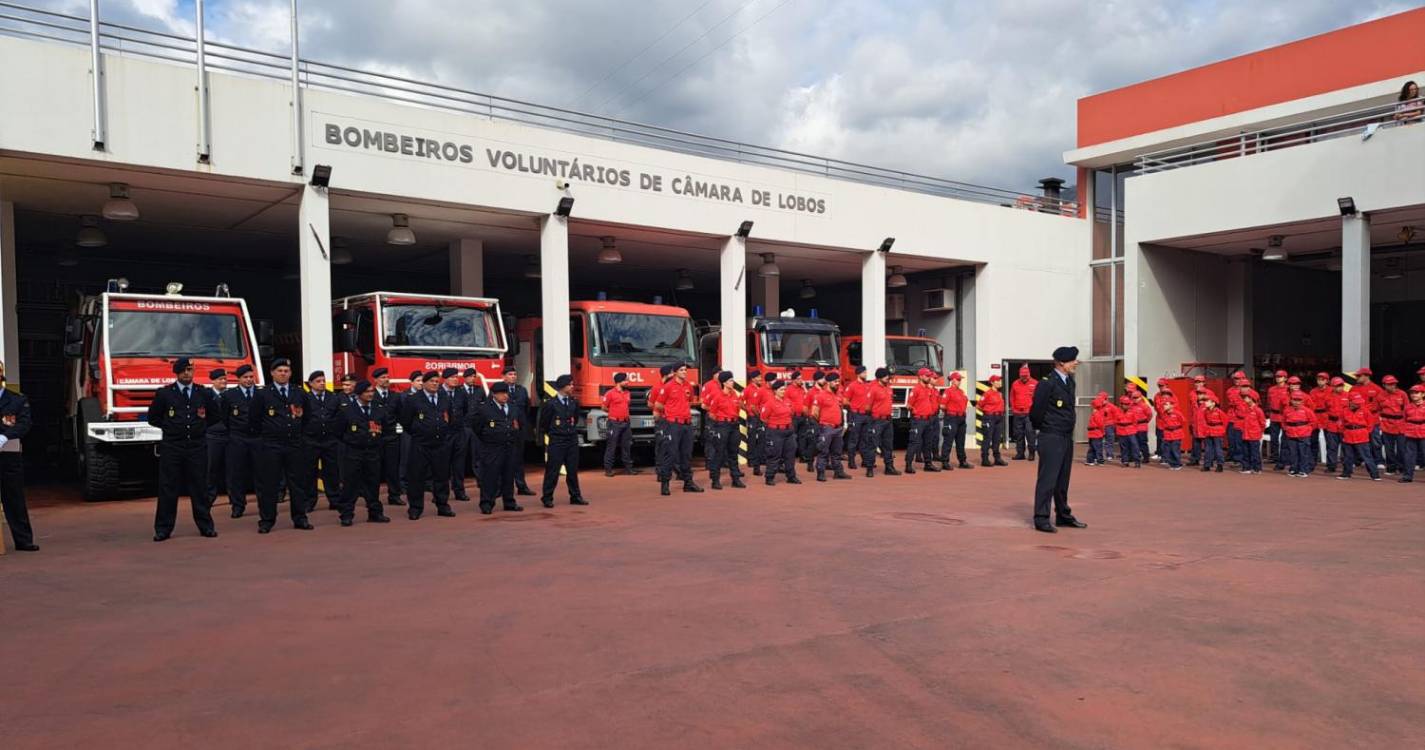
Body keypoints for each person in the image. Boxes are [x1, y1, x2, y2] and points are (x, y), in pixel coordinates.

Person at [147, 358, 223, 542]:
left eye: (190, 369)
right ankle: (163, 529)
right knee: (168, 488)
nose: (187, 373)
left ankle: (206, 526)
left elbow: (214, 416)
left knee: (199, 488)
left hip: (196, 446)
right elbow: (153, 417)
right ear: (177, 373)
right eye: (184, 370)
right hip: (172, 447)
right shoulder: (165, 394)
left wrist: (199, 428)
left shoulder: (202, 393)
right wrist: (172, 428)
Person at [1028, 346, 1084, 534]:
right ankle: (1041, 518)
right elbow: (1036, 412)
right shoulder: (1047, 383)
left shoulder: (1069, 381)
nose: (1075, 362)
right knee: (1048, 479)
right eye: (1072, 360)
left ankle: (1063, 515)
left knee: (1062, 480)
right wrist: (1046, 428)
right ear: (1061, 363)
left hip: (1066, 436)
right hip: (1051, 435)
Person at [253, 358, 313, 533]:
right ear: (272, 373)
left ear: (290, 373)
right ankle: (267, 520)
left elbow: (307, 417)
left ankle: (300, 518)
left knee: (298, 484)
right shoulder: (263, 394)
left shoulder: (299, 393)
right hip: (271, 445)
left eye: (286, 371)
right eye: (279, 371)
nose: (283, 373)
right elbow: (254, 419)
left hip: (294, 444)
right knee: (269, 485)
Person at [334, 380, 391, 526]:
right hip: (354, 452)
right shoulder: (347, 409)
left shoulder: (379, 409)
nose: (370, 394)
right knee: (350, 485)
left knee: (373, 483)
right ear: (359, 394)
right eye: (367, 392)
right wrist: (352, 441)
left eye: (372, 391)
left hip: (373, 452)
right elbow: (338, 431)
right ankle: (346, 514)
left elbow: (386, 429)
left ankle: (375, 513)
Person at [401, 370, 457, 519]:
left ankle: (442, 505)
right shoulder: (413, 399)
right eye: (431, 381)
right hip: (420, 444)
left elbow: (449, 417)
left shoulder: (444, 398)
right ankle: (415, 508)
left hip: (440, 444)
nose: (434, 384)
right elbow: (406, 420)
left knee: (441, 477)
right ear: (424, 383)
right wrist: (418, 431)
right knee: (416, 477)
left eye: (436, 382)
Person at [0, 361, 37, 551]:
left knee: (14, 498)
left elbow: (24, 424)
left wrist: (5, 436)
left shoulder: (17, 400)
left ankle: (23, 540)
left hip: (8, 454)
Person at [472, 381, 523, 514]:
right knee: (490, 476)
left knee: (508, 475)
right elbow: (477, 427)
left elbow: (518, 423)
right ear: (494, 395)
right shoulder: (484, 409)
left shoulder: (512, 407)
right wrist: (488, 438)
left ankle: (509, 501)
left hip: (510, 446)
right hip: (492, 447)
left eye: (506, 393)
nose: (505, 396)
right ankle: (487, 503)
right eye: (501, 393)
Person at [538, 374, 585, 507]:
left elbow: (574, 420)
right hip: (557, 440)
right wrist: (554, 433)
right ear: (563, 386)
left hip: (571, 440)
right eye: (570, 384)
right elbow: (545, 423)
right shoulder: (550, 404)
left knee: (572, 470)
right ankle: (547, 497)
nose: (572, 387)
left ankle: (575, 496)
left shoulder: (573, 402)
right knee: (552, 470)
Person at [220, 364, 260, 519]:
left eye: (251, 377)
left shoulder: (260, 394)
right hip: (237, 439)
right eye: (245, 377)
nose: (249, 380)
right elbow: (225, 417)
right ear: (239, 379)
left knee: (261, 473)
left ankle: (264, 504)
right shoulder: (229, 395)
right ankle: (238, 505)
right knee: (236, 474)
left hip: (257, 438)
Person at [657, 363, 702, 496]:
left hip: (687, 424)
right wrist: (670, 414)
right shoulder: (668, 387)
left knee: (687, 455)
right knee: (670, 454)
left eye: (685, 370)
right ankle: (665, 484)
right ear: (675, 372)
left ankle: (688, 483)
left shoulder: (688, 386)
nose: (684, 372)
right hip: (673, 425)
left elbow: (690, 400)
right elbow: (659, 404)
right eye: (681, 370)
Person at [302, 370, 342, 512]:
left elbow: (339, 417)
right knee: (309, 472)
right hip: (311, 440)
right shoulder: (304, 398)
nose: (322, 383)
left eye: (323, 380)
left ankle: (334, 499)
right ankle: (309, 501)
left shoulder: (333, 397)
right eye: (318, 381)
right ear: (311, 384)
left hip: (330, 440)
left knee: (332, 472)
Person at [704, 371, 746, 490]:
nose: (733, 382)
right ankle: (715, 480)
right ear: (724, 383)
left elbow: (738, 408)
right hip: (722, 426)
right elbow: (712, 414)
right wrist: (721, 422)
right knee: (719, 453)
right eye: (730, 381)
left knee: (733, 453)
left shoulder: (734, 395)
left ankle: (735, 479)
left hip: (734, 426)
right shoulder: (717, 396)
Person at [370, 368, 405, 506]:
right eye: (383, 377)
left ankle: (394, 495)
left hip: (391, 436)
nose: (386, 379)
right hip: (375, 437)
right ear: (376, 380)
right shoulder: (370, 395)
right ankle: (372, 497)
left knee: (392, 468)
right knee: (374, 469)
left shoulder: (394, 396)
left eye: (387, 377)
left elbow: (401, 415)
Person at [501, 367, 537, 496]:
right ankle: (502, 488)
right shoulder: (499, 390)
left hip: (519, 430)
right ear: (503, 377)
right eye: (510, 374)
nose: (513, 376)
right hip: (504, 430)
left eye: (515, 374)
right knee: (503, 459)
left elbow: (526, 409)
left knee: (519, 459)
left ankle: (521, 486)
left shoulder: (521, 390)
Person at [759, 377, 799, 485]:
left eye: (784, 389)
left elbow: (791, 414)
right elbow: (763, 417)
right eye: (781, 390)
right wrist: (775, 424)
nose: (783, 391)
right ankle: (769, 477)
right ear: (775, 391)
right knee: (774, 455)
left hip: (789, 431)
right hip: (775, 432)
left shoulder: (788, 401)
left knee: (790, 455)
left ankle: (791, 476)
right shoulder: (769, 403)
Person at [441, 368, 474, 502]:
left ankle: (459, 491)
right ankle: (441, 493)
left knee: (459, 464)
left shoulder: (461, 392)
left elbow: (465, 409)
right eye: (452, 377)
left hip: (459, 432)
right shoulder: (438, 392)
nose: (455, 379)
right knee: (442, 464)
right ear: (445, 379)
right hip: (443, 434)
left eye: (456, 377)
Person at [812, 372, 851, 481]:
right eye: (835, 381)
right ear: (828, 383)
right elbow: (814, 412)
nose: (837, 383)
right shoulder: (820, 395)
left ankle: (838, 472)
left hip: (837, 428)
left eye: (838, 381)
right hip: (826, 428)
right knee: (823, 451)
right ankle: (820, 473)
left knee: (837, 452)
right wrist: (823, 422)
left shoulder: (838, 395)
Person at [863, 368, 899, 476]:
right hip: (877, 420)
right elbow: (867, 407)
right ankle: (869, 468)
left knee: (888, 445)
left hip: (888, 420)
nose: (888, 378)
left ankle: (889, 467)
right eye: (885, 376)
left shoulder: (889, 388)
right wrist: (873, 418)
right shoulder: (873, 389)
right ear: (879, 378)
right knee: (872, 445)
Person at [905, 368, 942, 473]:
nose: (929, 377)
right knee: (914, 442)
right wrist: (916, 411)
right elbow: (908, 405)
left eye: (929, 376)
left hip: (928, 420)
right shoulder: (916, 389)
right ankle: (908, 465)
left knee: (928, 443)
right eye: (927, 376)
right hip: (918, 420)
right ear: (920, 376)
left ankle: (928, 464)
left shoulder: (929, 389)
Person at [1338, 394, 1380, 481]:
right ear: (1350, 402)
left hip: (1361, 436)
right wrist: (1344, 432)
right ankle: (1346, 473)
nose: (1358, 404)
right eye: (1356, 403)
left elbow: (1371, 424)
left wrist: (1365, 432)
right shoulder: (1344, 411)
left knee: (1366, 456)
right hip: (1348, 435)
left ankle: (1374, 474)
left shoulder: (1365, 410)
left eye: (1359, 403)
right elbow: (1341, 424)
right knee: (1347, 456)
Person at [602, 372, 637, 476]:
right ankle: (608, 469)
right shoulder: (610, 393)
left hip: (626, 422)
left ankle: (628, 468)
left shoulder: (627, 393)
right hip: (614, 423)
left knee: (627, 446)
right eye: (626, 380)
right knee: (611, 446)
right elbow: (604, 407)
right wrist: (613, 413)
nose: (627, 382)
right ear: (619, 382)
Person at [205, 368, 229, 510]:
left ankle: (234, 498)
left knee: (232, 469)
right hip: (212, 436)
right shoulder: (206, 396)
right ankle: (209, 496)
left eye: (225, 379)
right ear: (213, 381)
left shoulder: (230, 396)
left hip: (228, 436)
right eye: (220, 379)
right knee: (211, 468)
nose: (223, 381)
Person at [459, 367, 485, 488]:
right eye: (470, 376)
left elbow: (484, 406)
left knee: (478, 455)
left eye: (474, 376)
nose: (472, 378)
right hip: (462, 427)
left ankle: (481, 480)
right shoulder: (459, 391)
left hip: (476, 427)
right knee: (460, 455)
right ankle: (458, 483)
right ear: (465, 378)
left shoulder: (480, 390)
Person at [938, 372, 969, 470]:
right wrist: (950, 412)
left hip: (961, 419)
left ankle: (962, 461)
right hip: (952, 418)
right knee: (948, 441)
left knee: (961, 441)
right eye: (959, 379)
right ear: (953, 380)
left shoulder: (961, 392)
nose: (960, 381)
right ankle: (945, 462)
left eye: (960, 380)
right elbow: (942, 405)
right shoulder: (948, 392)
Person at [1378, 375, 1407, 476]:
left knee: (1401, 448)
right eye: (1389, 384)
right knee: (1388, 449)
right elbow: (1377, 409)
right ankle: (1391, 468)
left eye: (1394, 384)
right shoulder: (1380, 395)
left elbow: (1406, 409)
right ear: (1384, 385)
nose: (1392, 386)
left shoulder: (1402, 394)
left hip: (1400, 424)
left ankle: (1402, 467)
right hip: (1386, 424)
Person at [843, 366, 869, 470]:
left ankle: (865, 460)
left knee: (865, 439)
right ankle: (851, 461)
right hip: (856, 415)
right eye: (864, 372)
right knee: (853, 439)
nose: (866, 374)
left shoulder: (868, 386)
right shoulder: (852, 386)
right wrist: (854, 407)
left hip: (866, 415)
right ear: (859, 374)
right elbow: (845, 400)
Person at [1009, 364, 1037, 461]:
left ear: (1029, 374)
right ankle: (1020, 453)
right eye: (1022, 376)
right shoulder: (1015, 384)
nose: (1024, 378)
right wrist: (1013, 408)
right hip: (1018, 413)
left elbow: (1038, 399)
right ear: (1019, 375)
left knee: (1030, 433)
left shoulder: (1035, 383)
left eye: (1026, 376)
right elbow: (1012, 397)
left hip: (1029, 414)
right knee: (1018, 434)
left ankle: (1032, 453)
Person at [978, 375, 1007, 467]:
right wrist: (987, 412)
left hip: (999, 418)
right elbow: (979, 405)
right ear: (992, 382)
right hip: (989, 418)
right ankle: (985, 459)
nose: (1000, 382)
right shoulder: (987, 393)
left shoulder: (999, 393)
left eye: (1000, 381)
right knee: (987, 439)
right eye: (997, 381)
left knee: (997, 439)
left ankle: (997, 458)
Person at [743, 370, 767, 475]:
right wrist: (747, 410)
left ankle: (761, 459)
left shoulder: (762, 389)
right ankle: (751, 460)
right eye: (758, 377)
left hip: (761, 417)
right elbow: (740, 401)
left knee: (762, 438)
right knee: (752, 438)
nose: (760, 378)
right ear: (753, 379)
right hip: (753, 417)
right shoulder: (748, 389)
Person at [1399, 385, 1425, 483]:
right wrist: (1404, 431)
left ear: (1423, 394)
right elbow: (1404, 420)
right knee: (1409, 455)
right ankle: (1407, 476)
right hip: (1411, 433)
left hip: (1423, 432)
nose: (1413, 395)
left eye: (1416, 393)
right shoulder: (1407, 407)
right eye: (1412, 393)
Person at [1239, 393, 1266, 474]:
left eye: (1246, 398)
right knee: (1246, 452)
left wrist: (1258, 432)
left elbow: (1262, 423)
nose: (1244, 399)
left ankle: (1257, 468)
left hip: (1254, 435)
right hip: (1245, 434)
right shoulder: (1246, 409)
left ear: (1251, 398)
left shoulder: (1258, 410)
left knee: (1255, 452)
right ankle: (1246, 468)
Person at [1199, 395, 1226, 472]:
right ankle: (1207, 465)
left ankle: (1220, 465)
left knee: (1218, 449)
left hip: (1217, 431)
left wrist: (1222, 430)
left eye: (1207, 401)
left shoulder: (1219, 412)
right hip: (1209, 431)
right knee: (1208, 449)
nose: (1205, 403)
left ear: (1213, 403)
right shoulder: (1206, 411)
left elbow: (1225, 421)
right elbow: (1204, 420)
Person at [1266, 370, 1288, 463]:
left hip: (1284, 416)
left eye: (1280, 377)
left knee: (1285, 438)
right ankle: (1274, 457)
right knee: (1274, 438)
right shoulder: (1271, 389)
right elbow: (1269, 401)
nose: (1278, 378)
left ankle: (1285, 458)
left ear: (1285, 378)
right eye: (1277, 377)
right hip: (1274, 416)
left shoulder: (1288, 389)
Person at [1158, 399, 1186, 470]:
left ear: (1172, 405)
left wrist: (1176, 427)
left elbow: (1183, 421)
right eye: (1164, 405)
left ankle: (1177, 464)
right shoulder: (1164, 414)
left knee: (1175, 449)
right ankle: (1172, 464)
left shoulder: (1177, 413)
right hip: (1168, 434)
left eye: (1166, 404)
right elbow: (1162, 423)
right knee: (1169, 449)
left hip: (1176, 433)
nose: (1164, 406)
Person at [1115, 395, 1141, 468]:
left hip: (1131, 431)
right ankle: (1125, 461)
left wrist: (1134, 430)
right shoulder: (1117, 411)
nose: (1125, 405)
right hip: (1121, 431)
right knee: (1124, 447)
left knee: (1135, 446)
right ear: (1121, 404)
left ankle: (1137, 461)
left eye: (1127, 404)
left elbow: (1135, 422)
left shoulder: (1132, 411)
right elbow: (1115, 422)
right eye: (1124, 404)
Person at [1085, 392, 1108, 466]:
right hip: (1097, 433)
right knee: (1098, 447)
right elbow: (1100, 424)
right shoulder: (1098, 413)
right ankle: (1100, 461)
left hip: (1091, 433)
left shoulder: (1094, 412)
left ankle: (1090, 460)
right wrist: (1103, 431)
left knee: (1091, 447)